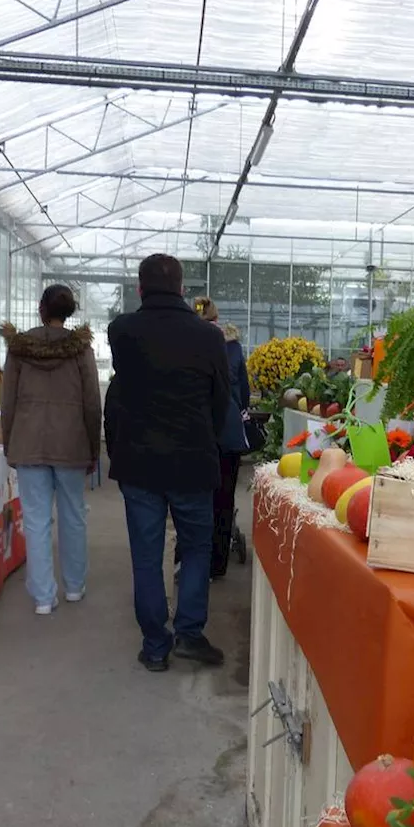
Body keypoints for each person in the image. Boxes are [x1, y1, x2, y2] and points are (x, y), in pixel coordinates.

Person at [105, 255, 230, 673]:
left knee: (146, 554)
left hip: (138, 461)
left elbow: (125, 388)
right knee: (195, 548)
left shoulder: (121, 331)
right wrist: (206, 436)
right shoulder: (209, 337)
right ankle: (190, 634)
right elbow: (219, 400)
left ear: (140, 289)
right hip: (192, 460)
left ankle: (156, 646)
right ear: (182, 290)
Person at [0, 285, 102, 616]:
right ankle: (74, 586)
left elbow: (8, 399)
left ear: (41, 308)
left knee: (36, 519)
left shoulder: (19, 348)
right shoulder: (80, 349)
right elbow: (91, 402)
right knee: (74, 516)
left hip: (28, 441)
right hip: (71, 442)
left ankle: (43, 596)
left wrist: (10, 440)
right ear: (70, 311)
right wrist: (92, 446)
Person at [196, 297, 251, 579]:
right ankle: (217, 564)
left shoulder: (189, 344)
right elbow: (244, 392)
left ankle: (192, 558)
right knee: (224, 498)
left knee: (194, 498)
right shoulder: (232, 348)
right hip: (228, 432)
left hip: (197, 433)